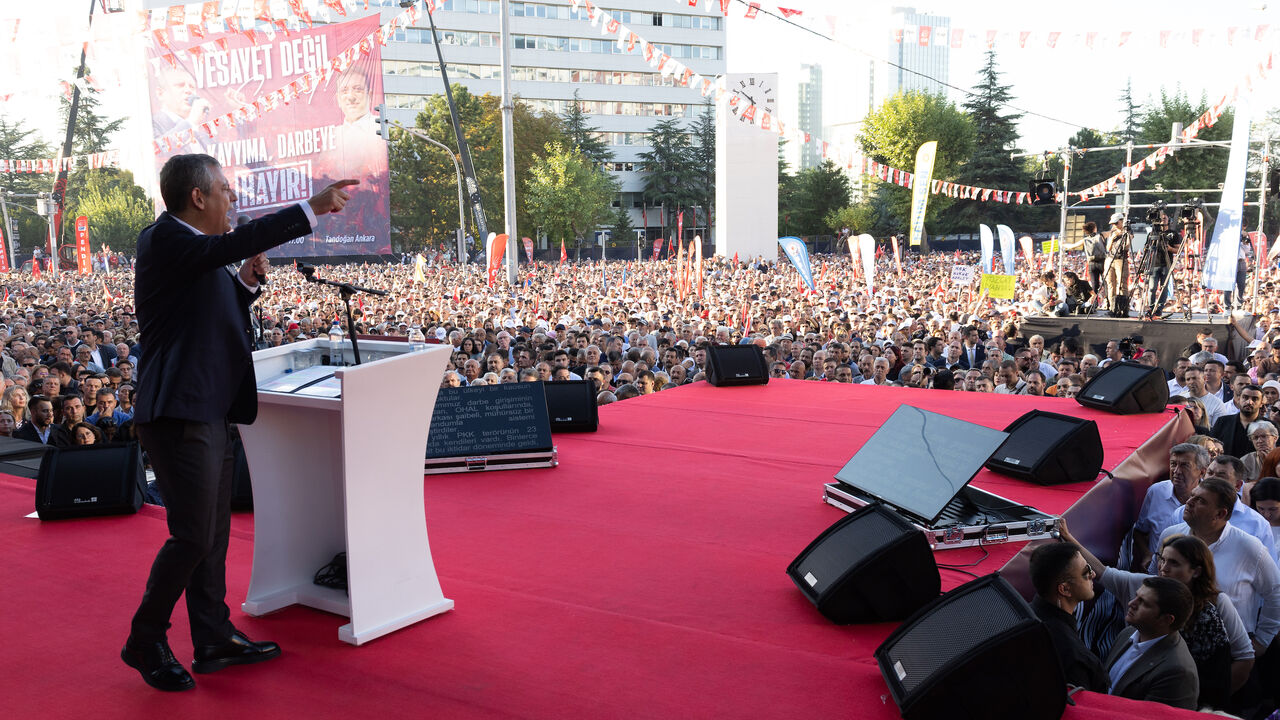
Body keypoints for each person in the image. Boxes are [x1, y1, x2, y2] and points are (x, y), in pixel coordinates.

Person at [122, 153, 356, 692]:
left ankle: (213, 636)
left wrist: (246, 286)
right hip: (179, 410)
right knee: (193, 534)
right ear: (198, 197)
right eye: (225, 190)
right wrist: (310, 208)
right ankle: (144, 637)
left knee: (214, 532)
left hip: (209, 407)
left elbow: (207, 315)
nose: (234, 199)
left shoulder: (196, 255)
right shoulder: (165, 239)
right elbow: (220, 253)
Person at [1062, 520, 1255, 708]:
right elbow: (1103, 573)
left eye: (1174, 563)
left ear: (1196, 571)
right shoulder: (1129, 628)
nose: (1163, 568)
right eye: (1162, 559)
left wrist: (1209, 708)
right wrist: (1068, 538)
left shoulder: (1216, 605)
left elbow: (1245, 656)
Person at [1102, 576, 1200, 709]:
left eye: (1143, 602)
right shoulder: (1127, 633)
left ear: (1166, 619)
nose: (1131, 603)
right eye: (1136, 596)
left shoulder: (1178, 673)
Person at [1028, 541, 1108, 691]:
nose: (1093, 574)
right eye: (1086, 572)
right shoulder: (1074, 657)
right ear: (1064, 589)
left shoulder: (1023, 611)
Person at [1103, 213, 1131, 314]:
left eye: (1116, 223)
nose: (1114, 225)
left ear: (1121, 221)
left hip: (1121, 259)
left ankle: (1123, 308)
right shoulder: (1113, 232)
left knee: (1122, 283)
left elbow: (1127, 246)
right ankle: (1112, 307)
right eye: (1113, 223)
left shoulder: (1127, 231)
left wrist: (1125, 234)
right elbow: (1108, 248)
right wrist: (1112, 238)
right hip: (1110, 258)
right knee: (1110, 283)